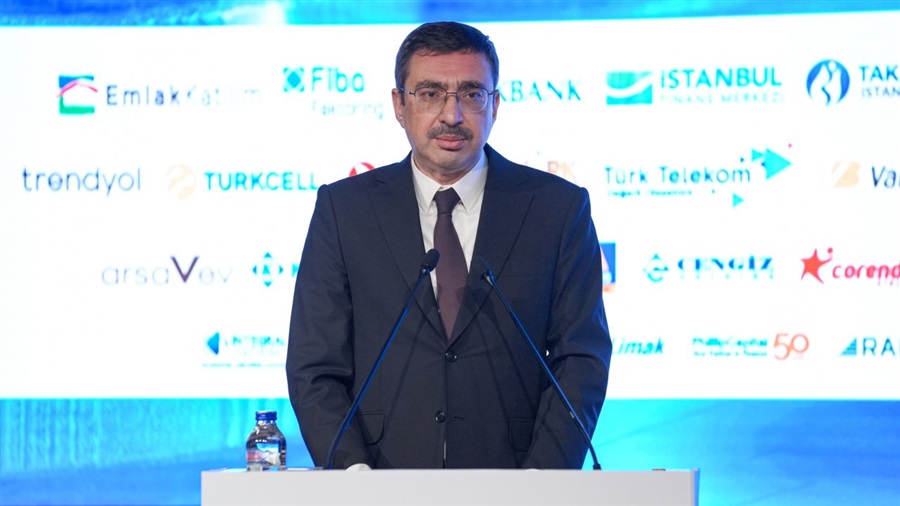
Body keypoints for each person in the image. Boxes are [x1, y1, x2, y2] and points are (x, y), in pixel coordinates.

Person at [286, 21, 612, 470]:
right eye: (430, 93)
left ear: (495, 105)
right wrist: (353, 476)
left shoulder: (556, 209)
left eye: (472, 94)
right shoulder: (345, 210)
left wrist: (541, 480)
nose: (452, 115)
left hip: (515, 481)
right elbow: (315, 366)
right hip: (379, 482)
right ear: (399, 104)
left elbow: (581, 358)